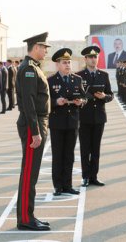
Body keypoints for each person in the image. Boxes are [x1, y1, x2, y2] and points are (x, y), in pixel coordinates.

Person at [15, 32, 51, 231]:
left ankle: (28, 214)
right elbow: (28, 102)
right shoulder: (29, 69)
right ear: (36, 47)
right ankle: (26, 218)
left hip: (37, 123)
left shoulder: (34, 68)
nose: (46, 51)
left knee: (32, 173)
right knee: (29, 173)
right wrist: (35, 131)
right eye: (44, 47)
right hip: (33, 125)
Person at [48, 48, 86, 196]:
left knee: (69, 155)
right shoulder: (51, 80)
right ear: (57, 65)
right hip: (57, 122)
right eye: (64, 63)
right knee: (58, 154)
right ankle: (58, 185)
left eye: (69, 62)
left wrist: (80, 102)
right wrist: (56, 101)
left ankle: (68, 184)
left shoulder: (76, 79)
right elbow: (45, 101)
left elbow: (84, 97)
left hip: (72, 122)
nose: (68, 65)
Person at [77, 46, 113, 187]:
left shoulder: (104, 75)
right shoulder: (79, 76)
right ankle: (85, 176)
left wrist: (104, 96)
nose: (93, 59)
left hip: (99, 116)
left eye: (95, 57)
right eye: (90, 57)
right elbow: (75, 94)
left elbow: (111, 95)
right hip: (84, 116)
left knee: (96, 149)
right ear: (85, 59)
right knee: (85, 149)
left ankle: (94, 176)